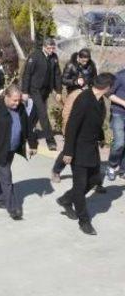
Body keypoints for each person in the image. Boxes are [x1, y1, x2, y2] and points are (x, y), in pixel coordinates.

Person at [56, 73, 115, 235]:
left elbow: (96, 122)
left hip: (91, 147)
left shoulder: (100, 100)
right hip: (78, 148)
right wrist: (68, 151)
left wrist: (102, 137)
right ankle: (84, 221)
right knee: (80, 185)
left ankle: (66, 199)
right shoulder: (84, 99)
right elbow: (72, 126)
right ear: (107, 87)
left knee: (95, 179)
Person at [0, 85, 38, 220]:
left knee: (1, 175)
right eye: (14, 100)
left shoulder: (20, 108)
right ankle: (13, 208)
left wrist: (33, 144)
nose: (17, 104)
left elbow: (28, 126)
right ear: (6, 96)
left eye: (19, 100)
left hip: (11, 148)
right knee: (7, 177)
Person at [21, 38, 62, 151]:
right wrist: (24, 91)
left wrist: (58, 91)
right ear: (44, 47)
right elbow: (27, 74)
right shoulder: (35, 56)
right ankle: (50, 141)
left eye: (53, 48)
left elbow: (57, 75)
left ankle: (24, 132)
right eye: (49, 48)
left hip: (46, 90)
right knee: (43, 113)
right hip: (35, 89)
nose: (51, 50)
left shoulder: (54, 57)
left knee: (36, 114)